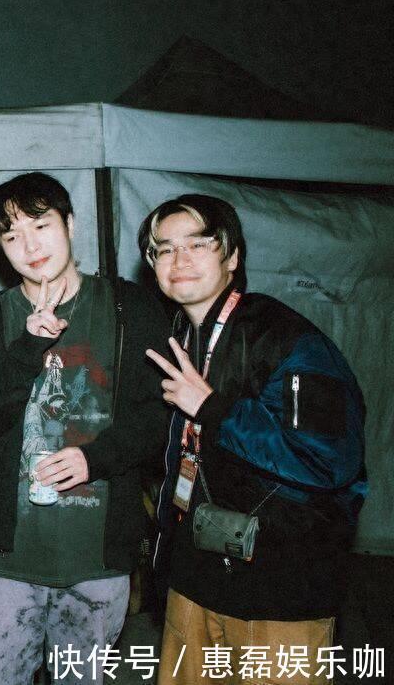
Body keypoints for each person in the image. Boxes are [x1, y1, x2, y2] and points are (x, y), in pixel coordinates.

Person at [139, 194, 366, 685]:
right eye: (164, 249)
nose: (179, 259)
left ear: (232, 256)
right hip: (194, 584)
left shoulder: (287, 338)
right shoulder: (178, 337)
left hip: (279, 595)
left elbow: (329, 462)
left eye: (197, 244)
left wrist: (213, 409)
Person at [0, 173, 168, 685]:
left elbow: (159, 417)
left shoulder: (130, 307)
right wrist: (29, 346)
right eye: (12, 235)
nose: (30, 246)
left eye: (41, 225)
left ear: (70, 224)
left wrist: (93, 459)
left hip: (98, 557)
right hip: (9, 559)